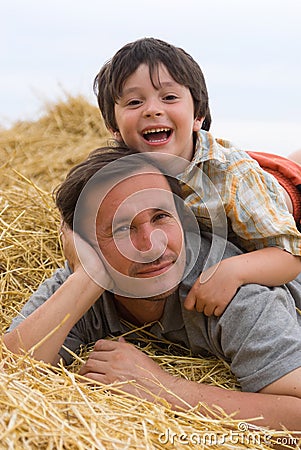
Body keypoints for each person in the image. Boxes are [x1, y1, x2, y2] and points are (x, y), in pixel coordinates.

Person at [4, 145, 301, 432]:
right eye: (122, 228)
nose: (152, 245)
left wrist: (161, 387)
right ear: (88, 248)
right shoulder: (85, 279)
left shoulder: (234, 295)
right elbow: (10, 373)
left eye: (160, 217)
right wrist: (89, 275)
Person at [93, 37, 301, 317]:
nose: (152, 109)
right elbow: (77, 211)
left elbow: (290, 255)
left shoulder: (233, 177)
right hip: (248, 167)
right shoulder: (116, 170)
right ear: (113, 126)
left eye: (168, 97)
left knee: (290, 167)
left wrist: (233, 271)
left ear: (198, 115)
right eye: (134, 101)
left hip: (283, 189)